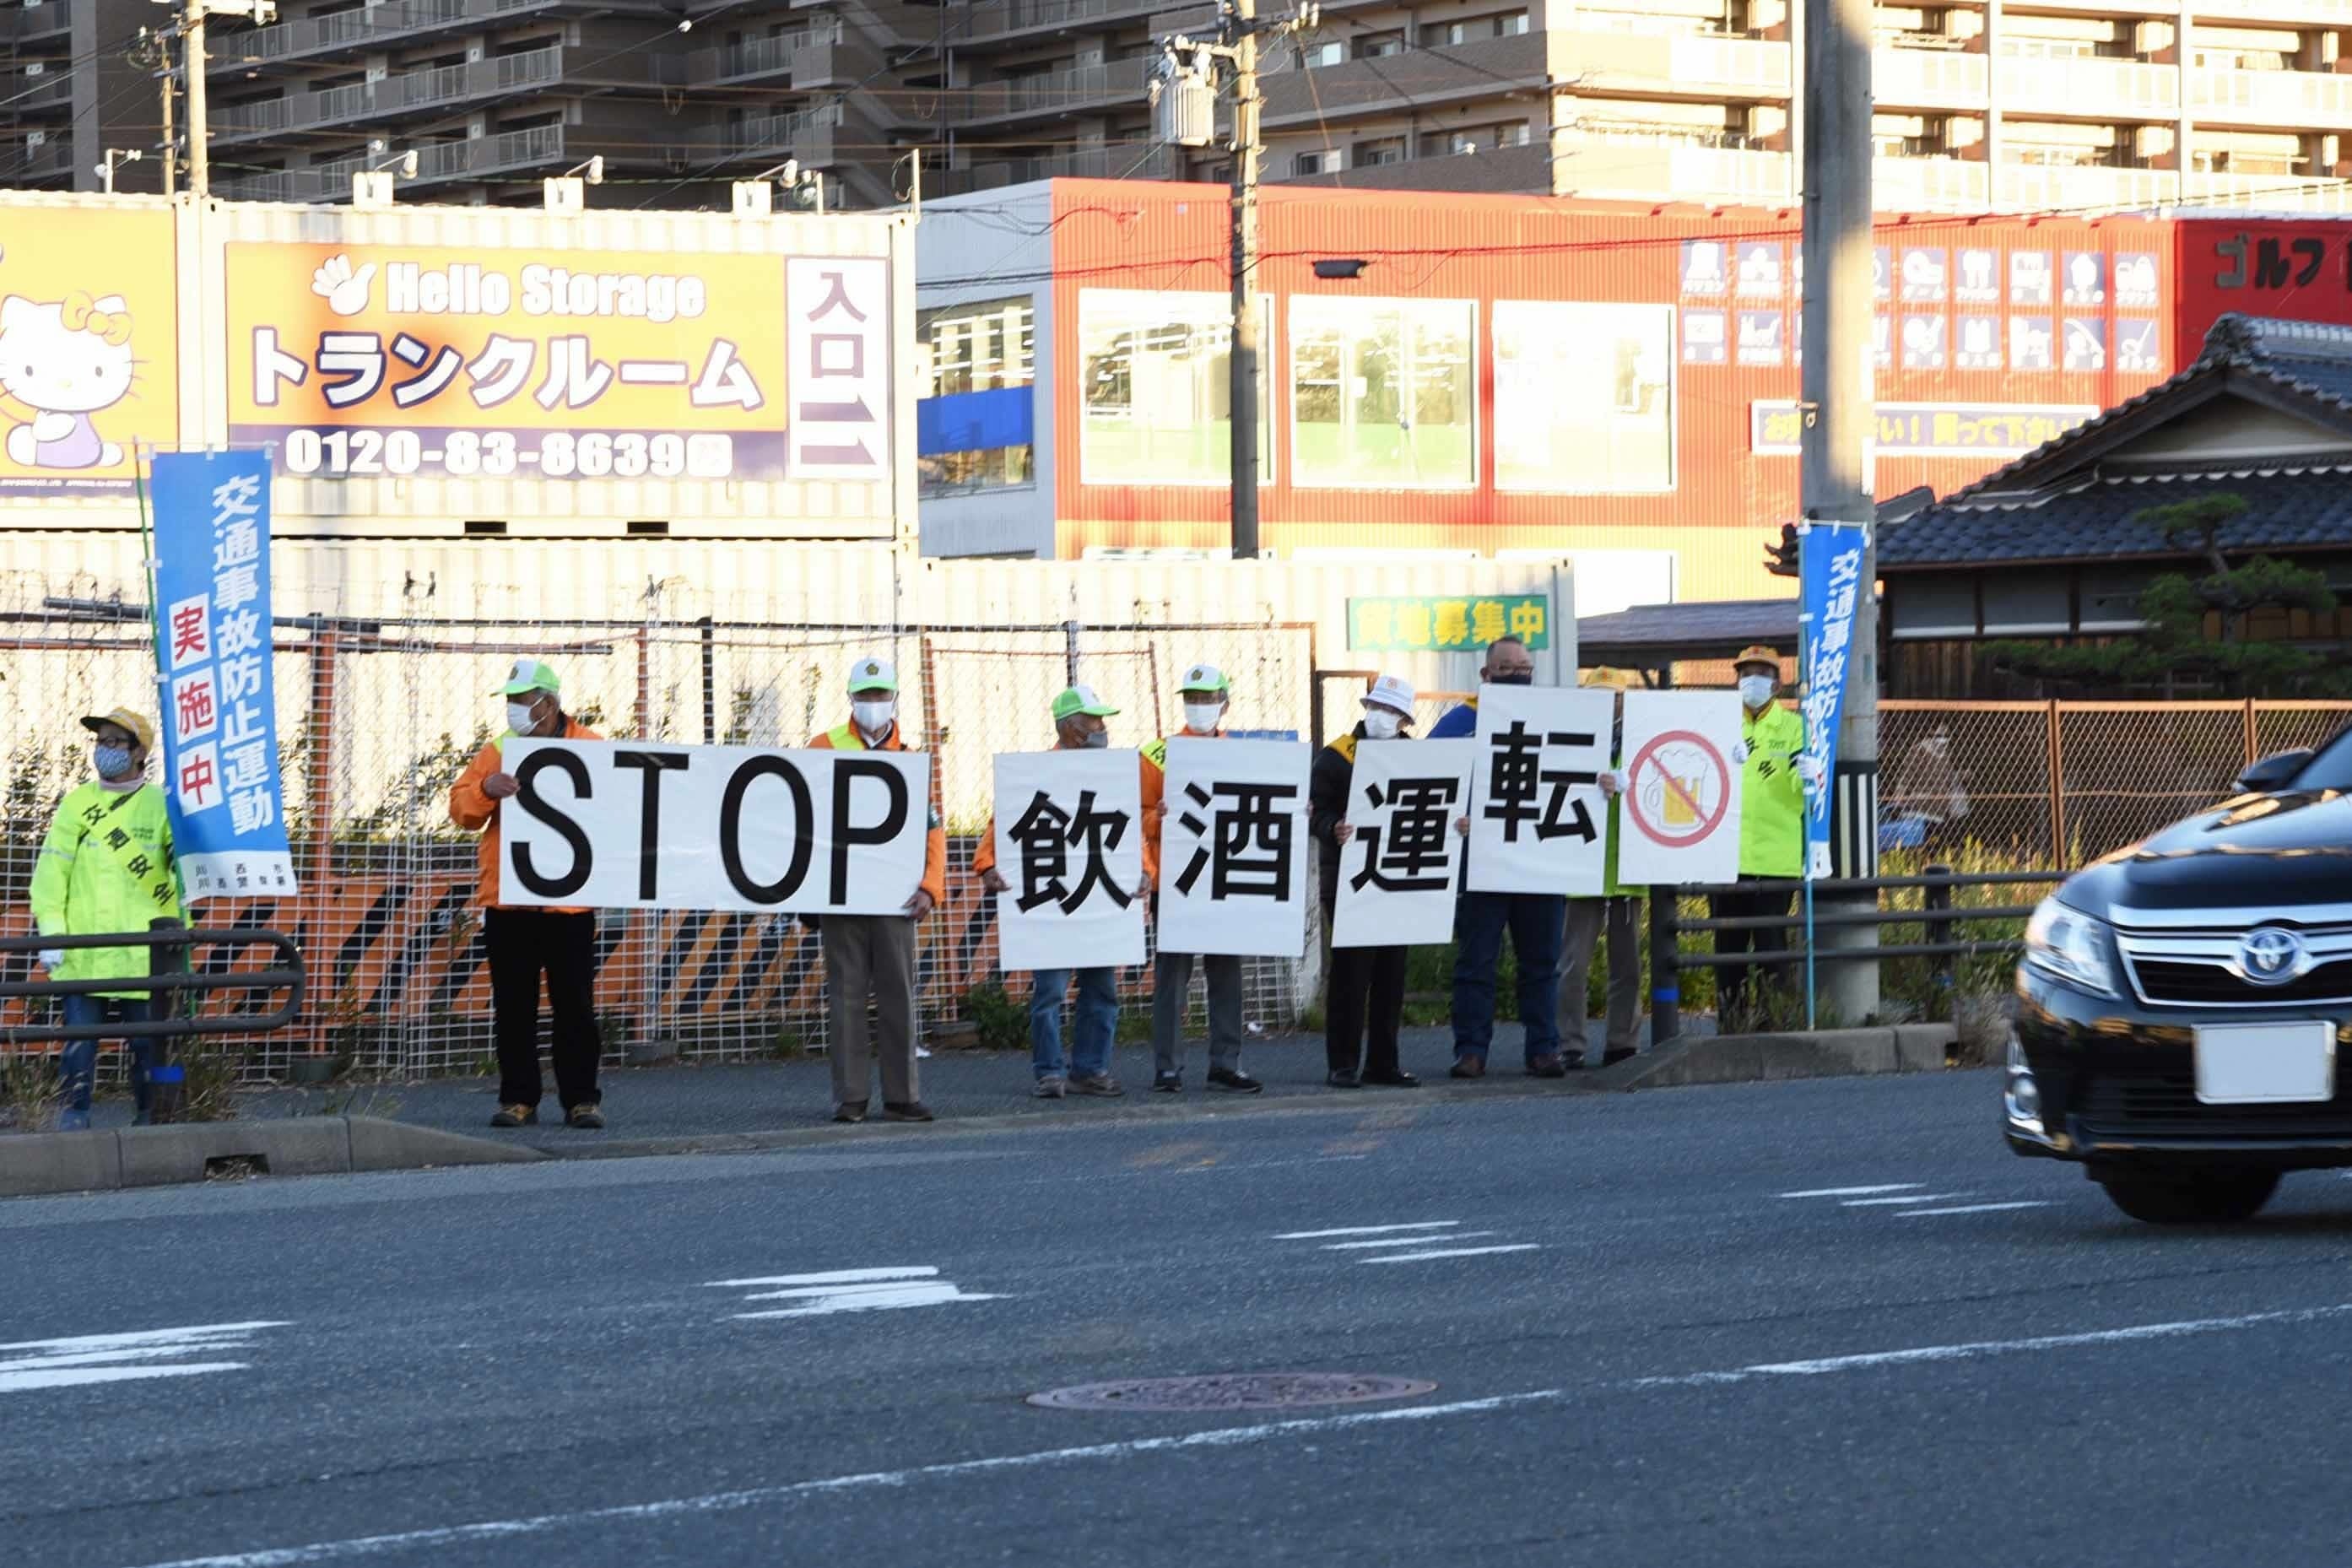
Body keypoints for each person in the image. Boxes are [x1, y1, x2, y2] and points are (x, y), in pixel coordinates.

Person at [975, 684, 1158, 1100]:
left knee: (1100, 989)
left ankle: (1087, 1069)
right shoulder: (1038, 774)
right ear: (1071, 728)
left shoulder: (1111, 773)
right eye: (1095, 720)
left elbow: (1130, 835)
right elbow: (1000, 823)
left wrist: (1145, 871)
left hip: (1088, 895)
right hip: (1060, 898)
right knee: (1052, 992)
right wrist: (986, 865)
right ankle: (1052, 1072)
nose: (1103, 727)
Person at [449, 659, 608, 1130]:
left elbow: (617, 813)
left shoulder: (593, 750)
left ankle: (582, 1100)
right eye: (512, 702)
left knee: (574, 1006)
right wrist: (484, 788)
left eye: (521, 701)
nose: (514, 710)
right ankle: (518, 1099)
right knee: (513, 1006)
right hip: (510, 900)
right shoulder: (499, 751)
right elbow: (461, 810)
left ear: (550, 702)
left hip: (570, 901)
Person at [807, 657, 947, 1125]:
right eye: (865, 696)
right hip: (841, 891)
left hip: (895, 893)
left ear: (894, 700)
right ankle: (850, 1098)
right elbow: (801, 820)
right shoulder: (820, 746)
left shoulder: (912, 756)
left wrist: (931, 886)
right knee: (844, 995)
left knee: (898, 995)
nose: (873, 704)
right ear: (850, 698)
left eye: (880, 695)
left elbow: (933, 830)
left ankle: (902, 1096)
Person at [30, 708, 179, 1131]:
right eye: (101, 742)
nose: (104, 750)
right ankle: (74, 1117)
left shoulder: (164, 806)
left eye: (115, 743)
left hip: (144, 955)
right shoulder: (78, 804)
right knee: (78, 1045)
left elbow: (183, 867)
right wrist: (52, 933)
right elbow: (51, 874)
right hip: (84, 950)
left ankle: (154, 1117)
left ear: (138, 753)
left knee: (151, 1047)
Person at [1428, 635, 1570, 1079]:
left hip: (1539, 859)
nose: (1517, 675)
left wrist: (1603, 781)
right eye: (1507, 669)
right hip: (1480, 861)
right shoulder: (1457, 724)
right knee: (1476, 961)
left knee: (1542, 962)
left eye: (1524, 667)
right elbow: (1423, 780)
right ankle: (1471, 1050)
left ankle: (1543, 1047)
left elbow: (1580, 773)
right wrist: (1454, 816)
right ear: (1485, 676)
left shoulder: (1555, 719)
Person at [1142, 662, 1262, 1095]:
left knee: (1227, 974)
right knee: (1173, 979)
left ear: (1225, 704)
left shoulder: (1242, 755)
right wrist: (1157, 819)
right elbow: (1132, 817)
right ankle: (1168, 1068)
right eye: (1191, 698)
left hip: (1223, 877)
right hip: (1176, 881)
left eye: (1207, 698)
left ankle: (1226, 1063)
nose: (1199, 706)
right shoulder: (1156, 754)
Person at [1314, 675, 1421, 1089]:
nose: (1383, 716)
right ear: (1367, 708)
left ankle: (1383, 1062)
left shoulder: (1416, 756)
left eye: (1393, 711)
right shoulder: (1337, 756)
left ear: (1405, 720)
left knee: (1392, 975)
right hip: (1346, 878)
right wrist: (1331, 827)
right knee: (1350, 975)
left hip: (1397, 876)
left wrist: (1455, 824)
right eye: (1379, 707)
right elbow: (1316, 809)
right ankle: (1342, 1063)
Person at [1709, 646, 1820, 1031]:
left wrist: (1807, 772)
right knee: (1728, 952)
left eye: (1760, 672)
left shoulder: (1795, 727)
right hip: (1726, 857)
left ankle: (1776, 1025)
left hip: (1776, 858)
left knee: (1773, 950)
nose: (1751, 680)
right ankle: (1732, 1026)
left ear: (1778, 681)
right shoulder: (1720, 724)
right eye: (1745, 673)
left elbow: (1800, 790)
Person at [1560, 693, 1641, 1068]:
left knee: (1627, 966)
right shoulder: (1570, 739)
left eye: (1616, 696)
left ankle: (1622, 1042)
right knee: (1573, 964)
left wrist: (1632, 787)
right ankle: (1569, 1043)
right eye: (1601, 695)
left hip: (1629, 870)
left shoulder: (1643, 739)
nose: (1610, 703)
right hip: (1582, 869)